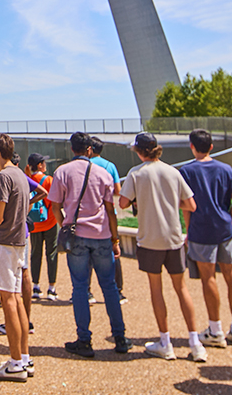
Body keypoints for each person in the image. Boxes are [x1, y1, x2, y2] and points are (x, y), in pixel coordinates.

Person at [119, 132, 205, 362]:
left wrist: (142, 199)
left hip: (150, 239)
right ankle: (195, 343)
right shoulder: (173, 172)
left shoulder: (136, 174)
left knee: (156, 289)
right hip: (173, 238)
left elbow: (123, 202)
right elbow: (191, 205)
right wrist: (169, 200)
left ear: (139, 151)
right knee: (181, 288)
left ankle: (165, 342)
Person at [50, 132, 130, 357]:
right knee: (109, 287)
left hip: (76, 236)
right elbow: (110, 209)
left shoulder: (62, 171)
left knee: (80, 288)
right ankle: (120, 336)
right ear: (89, 150)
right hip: (101, 234)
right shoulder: (103, 173)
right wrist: (115, 239)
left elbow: (55, 205)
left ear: (72, 149)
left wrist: (64, 225)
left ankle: (84, 339)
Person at [180, 129, 232, 349]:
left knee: (209, 278)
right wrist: (230, 220)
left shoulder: (186, 171)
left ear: (192, 146)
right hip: (224, 229)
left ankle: (215, 330)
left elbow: (187, 207)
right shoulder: (226, 169)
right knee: (231, 275)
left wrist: (188, 231)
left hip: (201, 230)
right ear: (211, 146)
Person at [0, 133, 32, 382]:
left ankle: (15, 363)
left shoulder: (3, 177)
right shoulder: (21, 175)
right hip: (19, 241)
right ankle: (23, 357)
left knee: (8, 301)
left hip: (5, 242)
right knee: (17, 299)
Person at [86, 137, 126, 303]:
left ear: (89, 149)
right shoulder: (110, 166)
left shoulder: (86, 166)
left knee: (86, 254)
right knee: (113, 252)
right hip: (108, 214)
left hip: (88, 214)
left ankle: (87, 291)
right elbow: (117, 190)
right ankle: (118, 291)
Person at [26, 153, 59, 301]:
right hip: (50, 221)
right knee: (51, 253)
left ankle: (36, 285)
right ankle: (51, 288)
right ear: (39, 165)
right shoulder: (49, 180)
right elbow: (55, 201)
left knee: (35, 254)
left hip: (34, 223)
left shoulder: (29, 180)